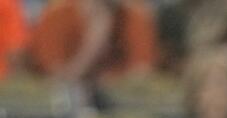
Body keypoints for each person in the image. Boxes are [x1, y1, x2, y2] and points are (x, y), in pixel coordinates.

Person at [27, 0, 158, 84]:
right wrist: (92, 45)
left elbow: (141, 79)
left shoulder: (133, 16)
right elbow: (55, 82)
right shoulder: (57, 16)